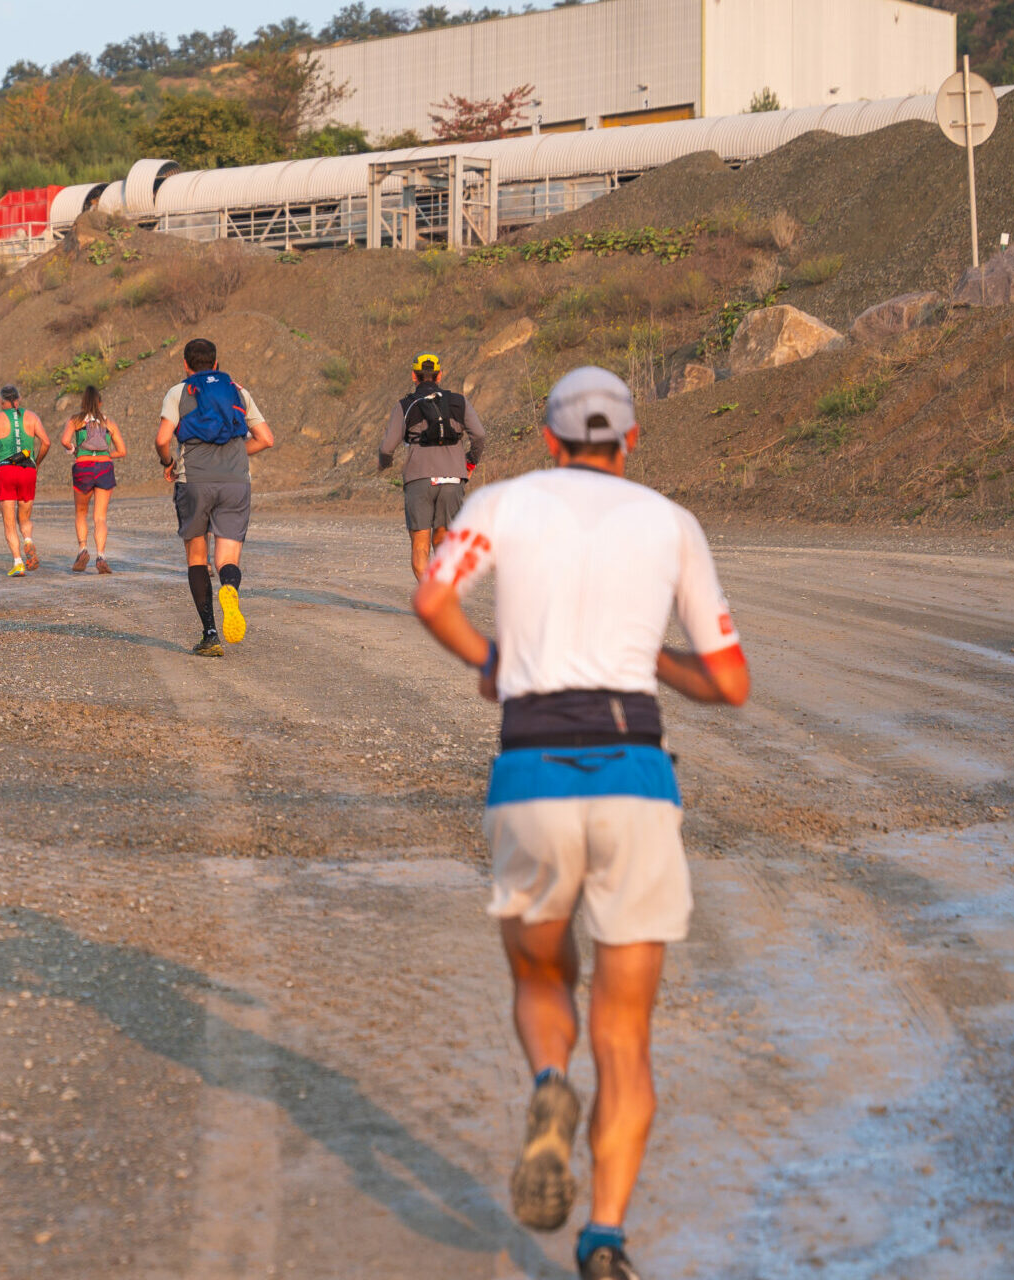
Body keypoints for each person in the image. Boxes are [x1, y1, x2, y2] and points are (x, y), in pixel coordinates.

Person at [410, 367, 751, 1280]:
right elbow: (731, 682)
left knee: (539, 972)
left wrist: (494, 664)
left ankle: (548, 1088)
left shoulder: (508, 502)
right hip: (635, 774)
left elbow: (431, 597)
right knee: (627, 1035)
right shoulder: (671, 523)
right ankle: (604, 1239)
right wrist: (650, 658)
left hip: (530, 772)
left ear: (551, 441)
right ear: (630, 441)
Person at [155, 337, 273, 657]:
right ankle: (230, 589)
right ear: (216, 363)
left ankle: (210, 634)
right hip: (236, 481)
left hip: (194, 479)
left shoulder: (179, 392)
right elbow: (266, 439)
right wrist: (237, 455)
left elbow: (163, 438)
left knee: (197, 556)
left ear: (186, 365)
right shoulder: (237, 390)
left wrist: (168, 463)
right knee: (226, 559)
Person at [381, 352, 487, 578]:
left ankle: (432, 598)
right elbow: (479, 435)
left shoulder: (405, 405)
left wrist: (384, 463)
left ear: (413, 376)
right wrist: (470, 461)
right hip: (452, 478)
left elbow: (387, 447)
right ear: (439, 376)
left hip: (419, 479)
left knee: (420, 546)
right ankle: (444, 593)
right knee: (444, 540)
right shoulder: (459, 402)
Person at [0, 384, 43, 576]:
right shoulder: (32, 417)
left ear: (1, 401)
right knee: (24, 518)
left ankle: (18, 563)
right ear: (19, 399)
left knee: (9, 522)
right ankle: (28, 540)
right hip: (28, 470)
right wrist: (36, 461)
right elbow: (46, 442)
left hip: (6, 469)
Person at [61, 386, 125, 573]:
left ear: (83, 403)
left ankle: (82, 550)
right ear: (100, 403)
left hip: (83, 467)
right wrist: (105, 456)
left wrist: (75, 450)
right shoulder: (108, 422)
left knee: (81, 513)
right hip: (104, 467)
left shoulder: (76, 420)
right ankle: (101, 556)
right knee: (100, 517)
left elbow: (64, 441)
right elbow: (122, 451)